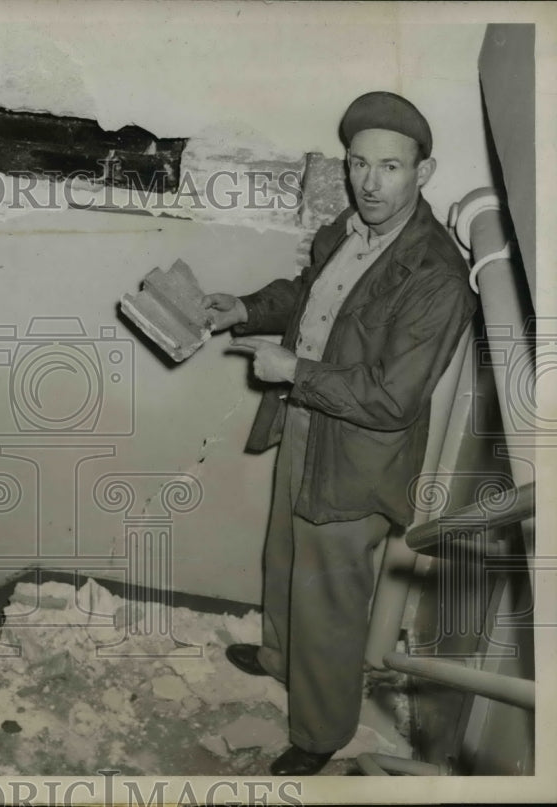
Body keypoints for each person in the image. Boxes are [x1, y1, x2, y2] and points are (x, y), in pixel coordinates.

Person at [202, 91, 478, 776]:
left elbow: (392, 399)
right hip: (306, 424)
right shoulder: (349, 228)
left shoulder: (438, 276)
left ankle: (321, 732)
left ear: (426, 171)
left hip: (359, 453)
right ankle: (277, 657)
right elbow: (309, 294)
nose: (370, 183)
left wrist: (294, 370)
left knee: (329, 596)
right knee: (286, 558)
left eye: (389, 167)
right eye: (358, 164)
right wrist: (245, 308)